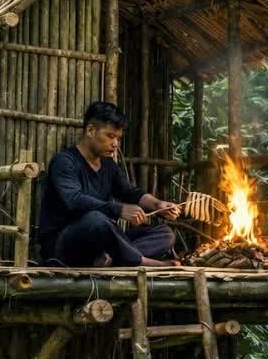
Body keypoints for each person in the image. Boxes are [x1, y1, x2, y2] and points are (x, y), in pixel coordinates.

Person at [38, 101, 182, 267]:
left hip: (102, 243)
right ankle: (140, 261)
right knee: (96, 219)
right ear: (91, 130)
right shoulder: (64, 161)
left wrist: (158, 204)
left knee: (165, 234)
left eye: (118, 138)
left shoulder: (108, 166)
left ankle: (111, 259)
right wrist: (118, 210)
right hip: (63, 245)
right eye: (110, 136)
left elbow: (131, 193)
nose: (115, 144)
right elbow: (74, 200)